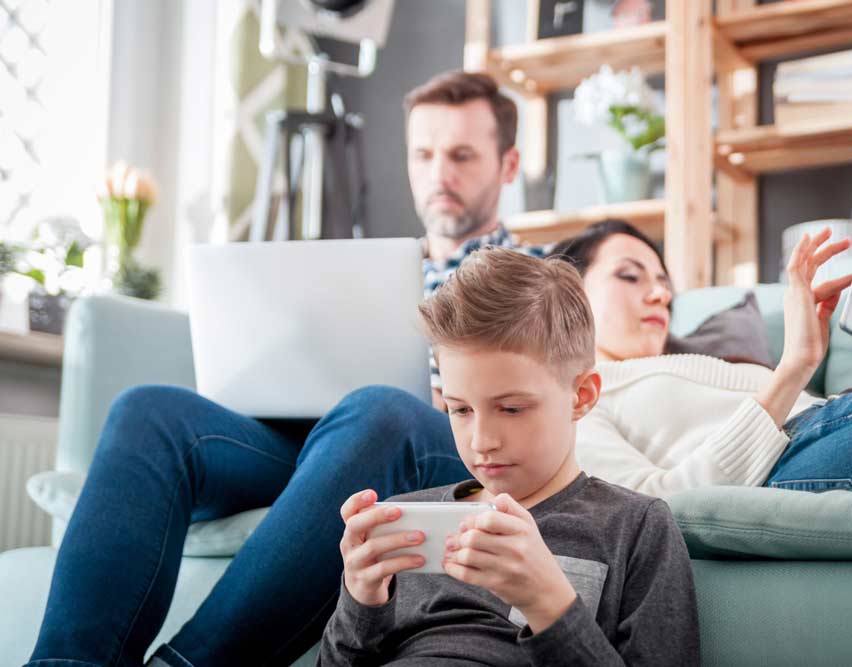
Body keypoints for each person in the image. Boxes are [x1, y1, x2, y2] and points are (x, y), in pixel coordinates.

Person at [27, 71, 541, 667]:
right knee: (149, 410)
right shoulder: (362, 270)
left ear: (508, 166)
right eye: (423, 155)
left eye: (461, 155)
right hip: (325, 443)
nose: (438, 174)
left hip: (427, 437)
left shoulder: (541, 275)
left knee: (379, 408)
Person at [320, 247, 700, 666]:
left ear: (582, 395)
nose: (482, 441)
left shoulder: (635, 527)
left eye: (512, 409)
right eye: (461, 409)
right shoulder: (403, 524)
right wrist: (360, 602)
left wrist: (549, 606)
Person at [550, 219, 852, 496]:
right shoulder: (576, 402)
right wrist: (793, 368)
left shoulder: (696, 366)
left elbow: (843, 423)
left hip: (828, 428)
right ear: (570, 292)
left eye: (664, 282)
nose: (660, 293)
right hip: (788, 465)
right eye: (629, 276)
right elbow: (658, 508)